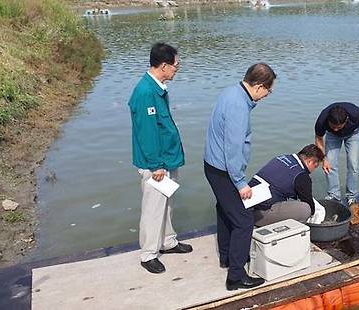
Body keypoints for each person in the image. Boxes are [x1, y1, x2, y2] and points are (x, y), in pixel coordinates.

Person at [203, 63, 276, 291]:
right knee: (244, 221)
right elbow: (232, 149)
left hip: (213, 165)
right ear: (259, 86)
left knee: (226, 211)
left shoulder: (232, 92)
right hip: (224, 170)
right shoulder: (238, 106)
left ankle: (226, 256)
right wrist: (240, 182)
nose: (267, 96)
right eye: (268, 91)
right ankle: (236, 277)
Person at [128, 43, 192, 274]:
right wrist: (156, 165)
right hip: (156, 164)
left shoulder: (158, 88)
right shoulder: (145, 92)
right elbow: (147, 133)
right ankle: (148, 254)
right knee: (154, 209)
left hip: (167, 160)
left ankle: (167, 241)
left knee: (167, 204)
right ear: (163, 66)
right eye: (176, 65)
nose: (177, 69)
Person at [314, 102, 359, 207]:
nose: (336, 129)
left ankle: (352, 196)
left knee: (354, 164)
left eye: (338, 127)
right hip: (332, 137)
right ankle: (334, 195)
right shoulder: (322, 120)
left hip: (353, 134)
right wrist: (323, 159)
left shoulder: (355, 114)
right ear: (328, 121)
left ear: (346, 120)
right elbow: (318, 138)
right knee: (330, 164)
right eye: (333, 126)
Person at [250, 144, 325, 226]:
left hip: (246, 202)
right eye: (315, 166)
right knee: (305, 209)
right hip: (259, 214)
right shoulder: (301, 175)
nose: (313, 170)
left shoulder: (281, 158)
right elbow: (309, 205)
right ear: (310, 161)